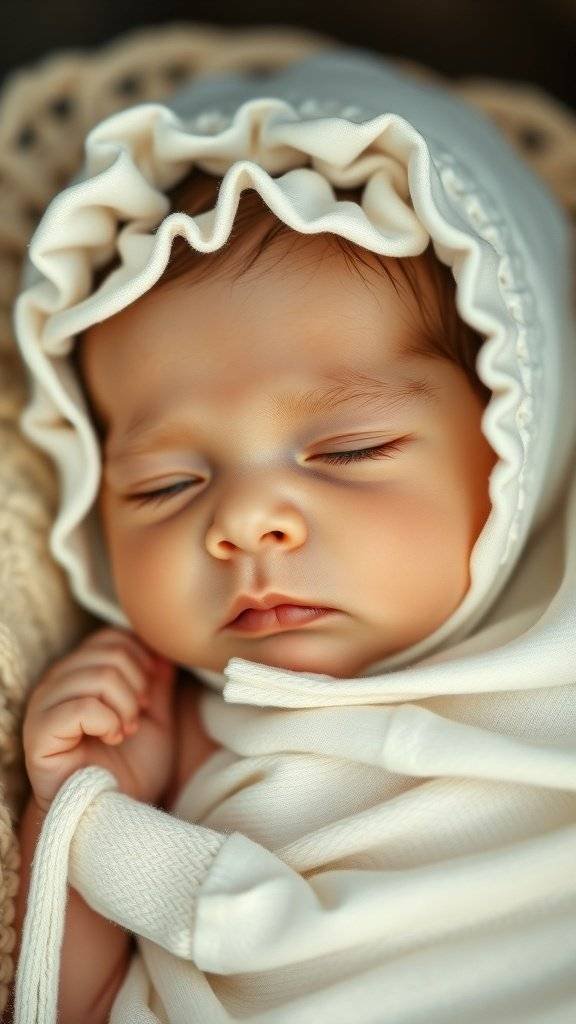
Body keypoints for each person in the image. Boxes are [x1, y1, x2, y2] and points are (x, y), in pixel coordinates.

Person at [9, 44, 576, 1023]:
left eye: (348, 449)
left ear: (518, 441)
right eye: (165, 484)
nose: (241, 521)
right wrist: (87, 800)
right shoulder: (173, 728)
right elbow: (79, 1002)